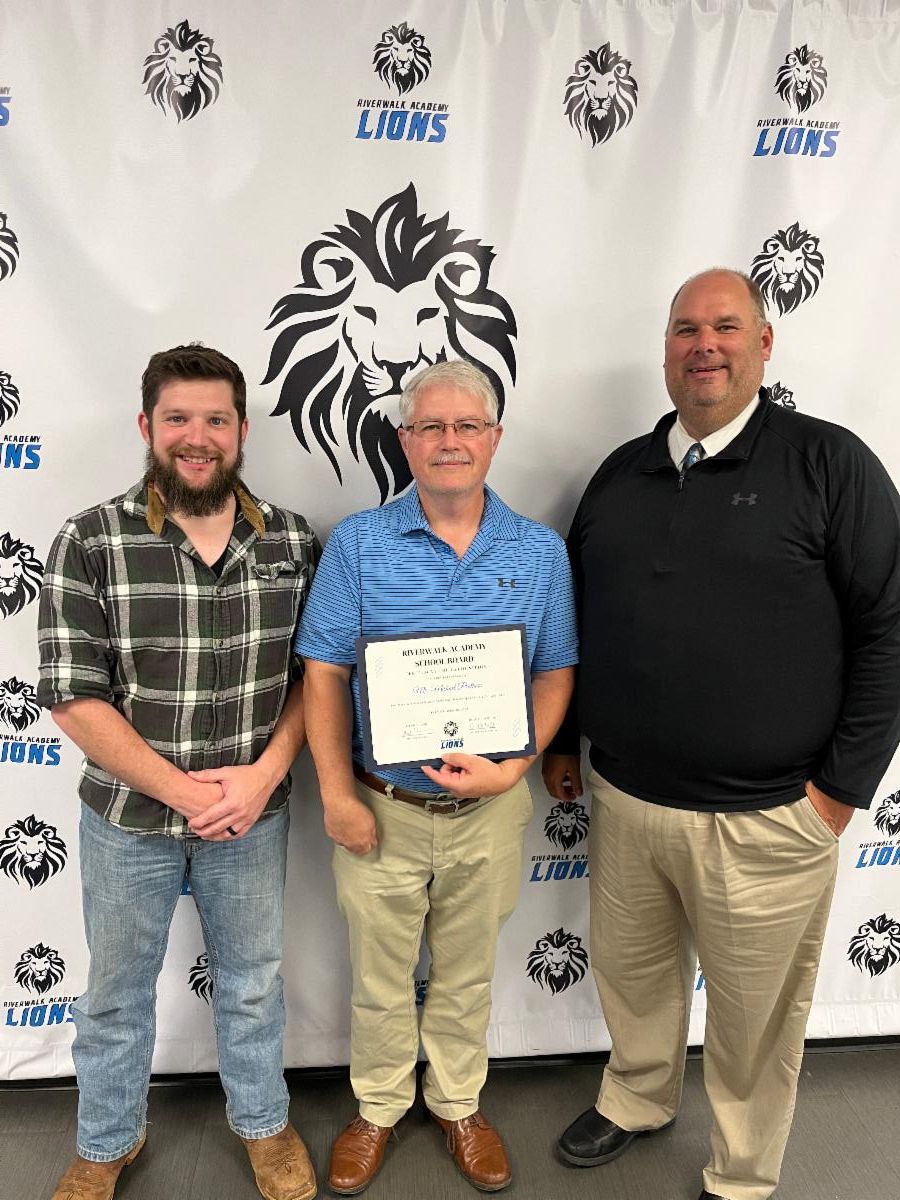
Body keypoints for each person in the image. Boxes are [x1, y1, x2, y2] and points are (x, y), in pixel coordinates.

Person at [544, 268, 900, 1200]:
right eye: (686, 329)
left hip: (768, 816)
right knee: (634, 980)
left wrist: (839, 792)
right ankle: (637, 1096)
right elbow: (577, 623)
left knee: (753, 1020)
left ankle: (740, 1171)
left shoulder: (829, 464)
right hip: (627, 800)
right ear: (665, 349)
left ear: (764, 343)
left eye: (726, 327)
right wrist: (565, 742)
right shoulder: (621, 474)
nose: (704, 345)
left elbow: (889, 630)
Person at [37, 344, 320, 1200]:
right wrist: (188, 793)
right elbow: (73, 697)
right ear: (147, 426)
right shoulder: (90, 540)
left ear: (242, 430)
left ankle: (264, 1126)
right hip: (129, 822)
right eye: (178, 419)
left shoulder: (293, 542)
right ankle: (106, 1141)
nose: (198, 437)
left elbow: (316, 681)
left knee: (253, 986)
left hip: (253, 817)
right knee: (116, 994)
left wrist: (263, 777)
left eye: (216, 419)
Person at [298, 359, 578, 1194]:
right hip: (381, 806)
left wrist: (515, 770)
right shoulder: (358, 544)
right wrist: (338, 795)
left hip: (490, 813)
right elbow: (323, 674)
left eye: (466, 426)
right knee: (380, 976)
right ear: (404, 439)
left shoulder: (540, 552)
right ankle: (378, 1108)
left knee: (465, 972)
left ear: (495, 438)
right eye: (431, 427)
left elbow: (555, 672)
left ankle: (457, 1103)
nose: (449, 441)